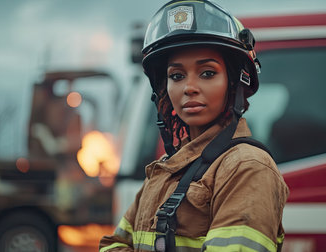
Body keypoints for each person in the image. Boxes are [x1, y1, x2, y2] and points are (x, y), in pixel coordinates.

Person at [100, 0, 289, 251]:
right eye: (176, 76)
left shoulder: (247, 167)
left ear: (235, 83)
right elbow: (113, 244)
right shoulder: (165, 169)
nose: (189, 87)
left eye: (207, 73)